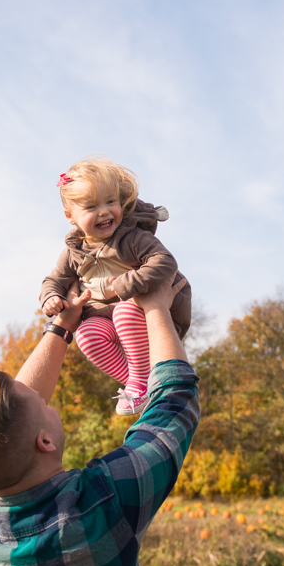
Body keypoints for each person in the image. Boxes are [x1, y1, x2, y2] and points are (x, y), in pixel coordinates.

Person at [0, 277, 198, 566]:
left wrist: (62, 325)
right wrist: (157, 308)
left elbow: (10, 426)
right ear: (44, 441)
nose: (45, 398)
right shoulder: (101, 509)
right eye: (42, 403)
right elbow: (175, 401)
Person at [39, 156, 192, 415]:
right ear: (70, 216)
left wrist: (126, 285)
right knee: (87, 334)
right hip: (109, 321)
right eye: (90, 207)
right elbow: (54, 279)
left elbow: (165, 261)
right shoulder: (73, 252)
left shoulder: (132, 237)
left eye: (111, 201)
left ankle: (141, 382)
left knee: (123, 310)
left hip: (152, 309)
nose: (104, 211)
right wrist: (51, 297)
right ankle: (139, 381)